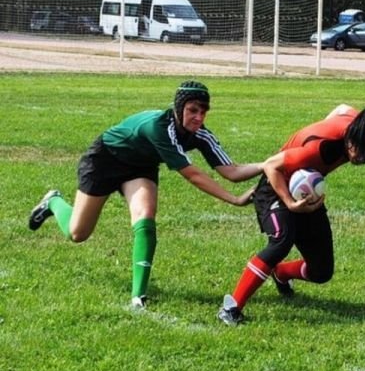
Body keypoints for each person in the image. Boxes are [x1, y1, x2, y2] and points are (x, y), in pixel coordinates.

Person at [29, 81, 264, 309]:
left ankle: (138, 297)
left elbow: (232, 171)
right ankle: (53, 201)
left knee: (146, 214)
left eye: (204, 112)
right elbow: (193, 175)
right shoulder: (160, 127)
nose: (199, 118)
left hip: (140, 167)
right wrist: (233, 199)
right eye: (193, 110)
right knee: (77, 233)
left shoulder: (201, 134)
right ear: (179, 107)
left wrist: (271, 165)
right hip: (105, 160)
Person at [218, 104, 365, 326]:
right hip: (274, 187)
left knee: (322, 271)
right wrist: (290, 203)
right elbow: (271, 166)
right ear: (352, 139)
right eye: (362, 152)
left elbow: (342, 108)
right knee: (282, 239)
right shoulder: (319, 149)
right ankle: (231, 308)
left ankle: (281, 272)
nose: (362, 159)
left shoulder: (357, 123)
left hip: (304, 187)